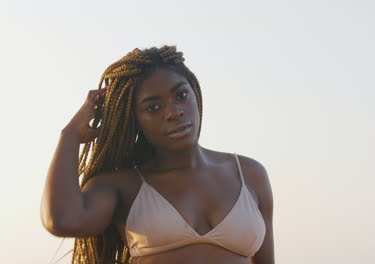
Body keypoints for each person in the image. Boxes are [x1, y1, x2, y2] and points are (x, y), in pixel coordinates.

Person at [40, 45, 275, 264]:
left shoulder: (249, 174)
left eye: (181, 95)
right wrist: (69, 135)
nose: (174, 112)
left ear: (195, 93)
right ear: (136, 120)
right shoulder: (123, 186)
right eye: (153, 107)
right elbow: (62, 221)